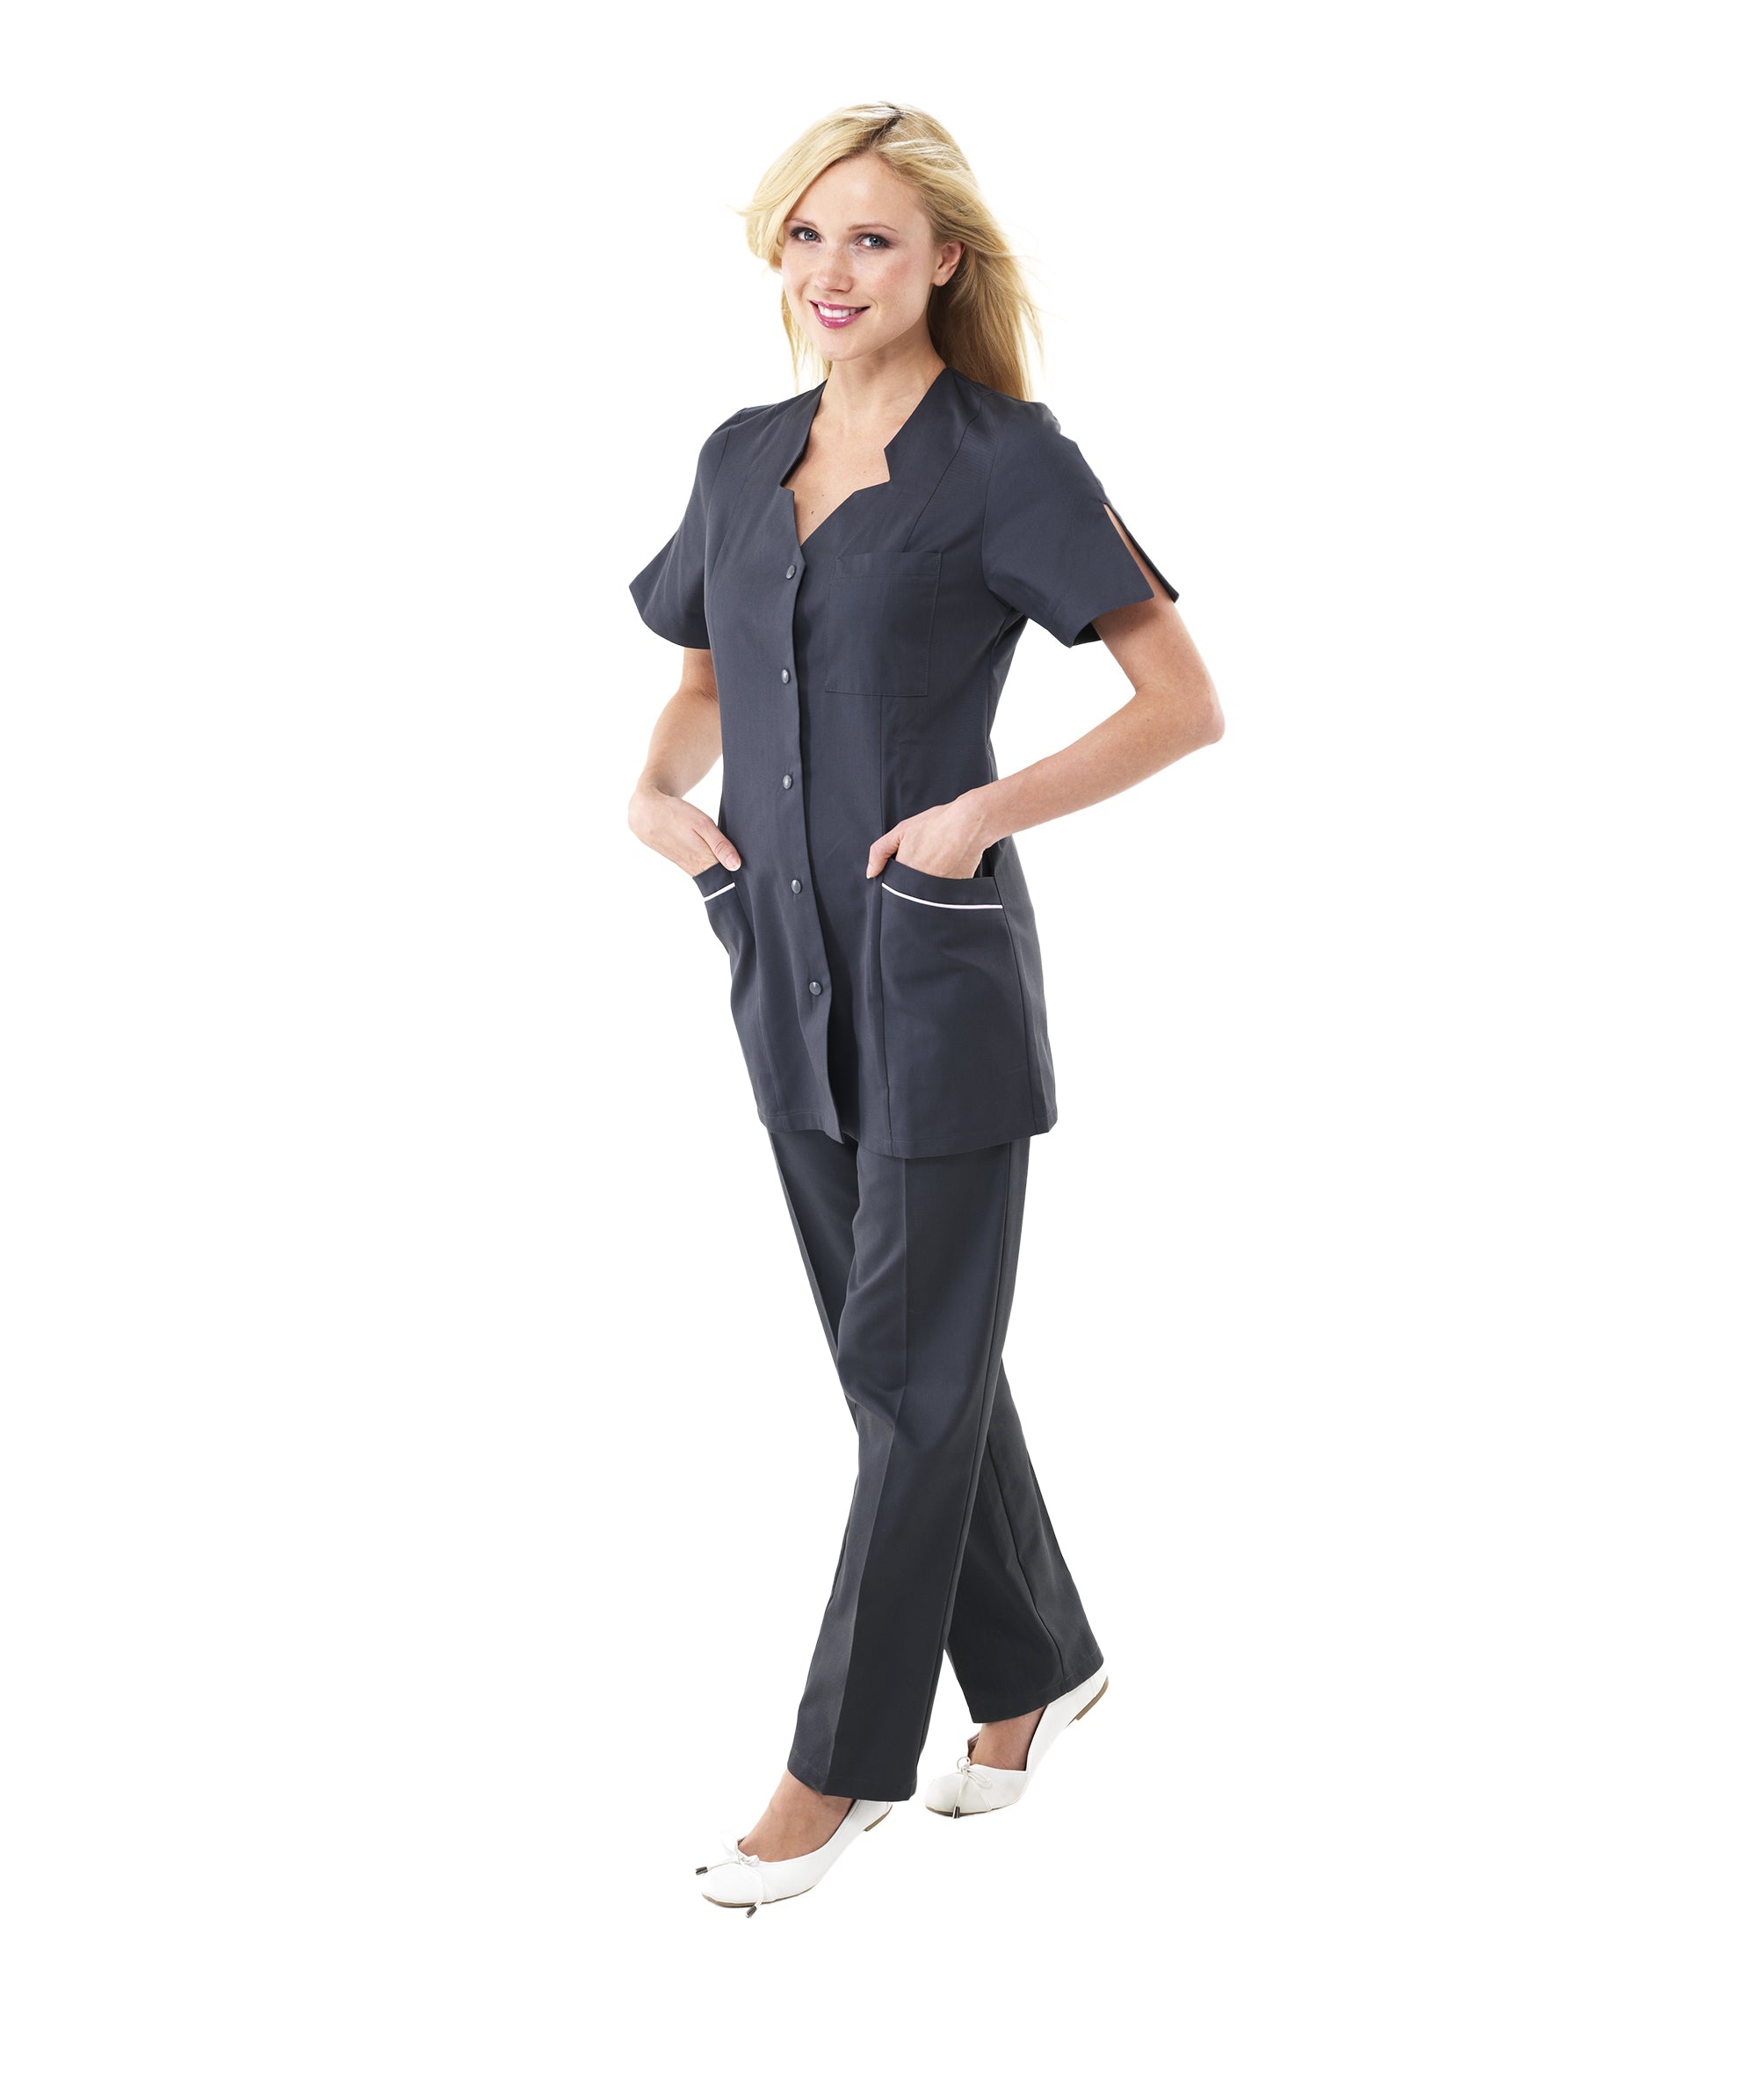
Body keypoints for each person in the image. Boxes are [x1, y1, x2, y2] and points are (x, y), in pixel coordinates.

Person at [626, 101, 1223, 1915]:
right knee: (910, 1368)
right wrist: (657, 797)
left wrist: (980, 813)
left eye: (874, 238)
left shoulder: (1005, 461)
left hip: (933, 975)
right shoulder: (742, 456)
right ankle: (1037, 1664)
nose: (832, 271)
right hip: (777, 970)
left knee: (908, 1378)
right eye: (807, 235)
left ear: (945, 259)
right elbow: (704, 673)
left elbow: (1180, 702)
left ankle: (835, 1770)